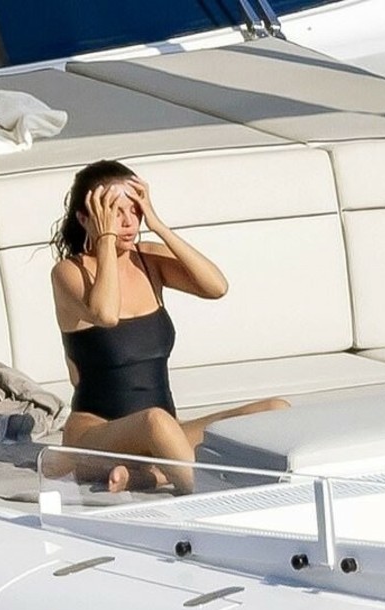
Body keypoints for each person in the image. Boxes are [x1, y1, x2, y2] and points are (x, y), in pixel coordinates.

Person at [50, 160, 288, 494]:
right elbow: (106, 314)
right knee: (155, 421)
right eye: (115, 212)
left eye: (135, 210)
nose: (128, 222)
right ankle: (211, 499)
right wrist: (104, 239)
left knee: (275, 410)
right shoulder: (69, 273)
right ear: (86, 218)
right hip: (94, 440)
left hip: (163, 433)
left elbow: (216, 287)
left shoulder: (148, 261)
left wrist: (158, 224)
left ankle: (148, 473)